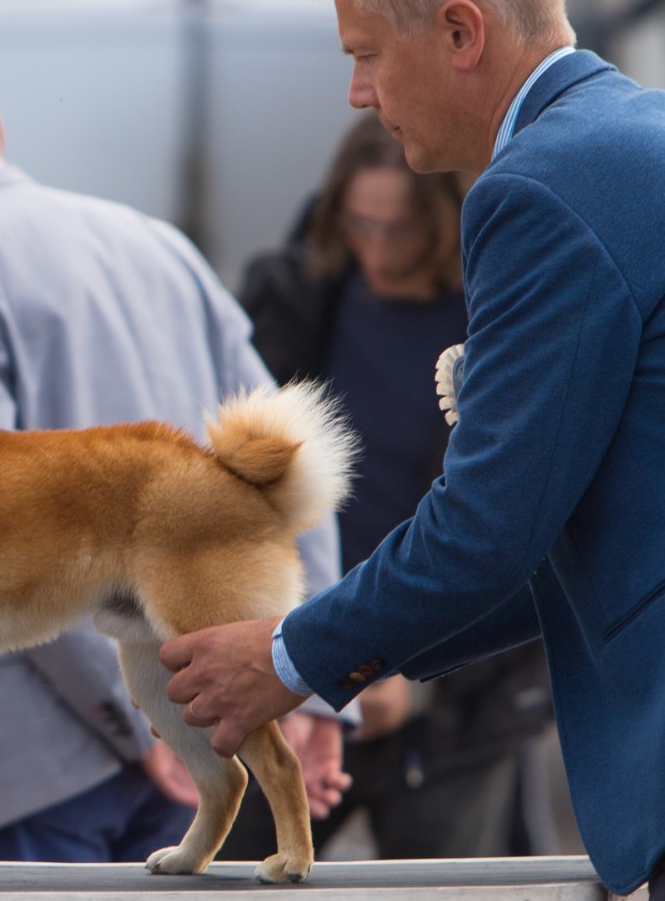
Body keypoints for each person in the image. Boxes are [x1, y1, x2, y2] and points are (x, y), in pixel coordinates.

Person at [157, 0, 665, 897]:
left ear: (462, 32)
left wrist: (291, 654)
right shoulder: (625, 134)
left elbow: (487, 529)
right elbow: (560, 531)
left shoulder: (541, 188)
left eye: (368, 54)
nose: (356, 94)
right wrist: (353, 657)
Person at [0, 28, 352, 865]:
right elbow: (286, 478)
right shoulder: (158, 241)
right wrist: (309, 687)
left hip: (37, 762)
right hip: (210, 706)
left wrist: (136, 723)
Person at [218, 110, 554, 861]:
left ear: (444, 221)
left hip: (455, 708)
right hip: (303, 669)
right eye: (357, 223)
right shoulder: (302, 300)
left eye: (396, 231)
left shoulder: (499, 323)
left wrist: (409, 671)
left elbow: (517, 526)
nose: (374, 248)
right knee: (236, 868)